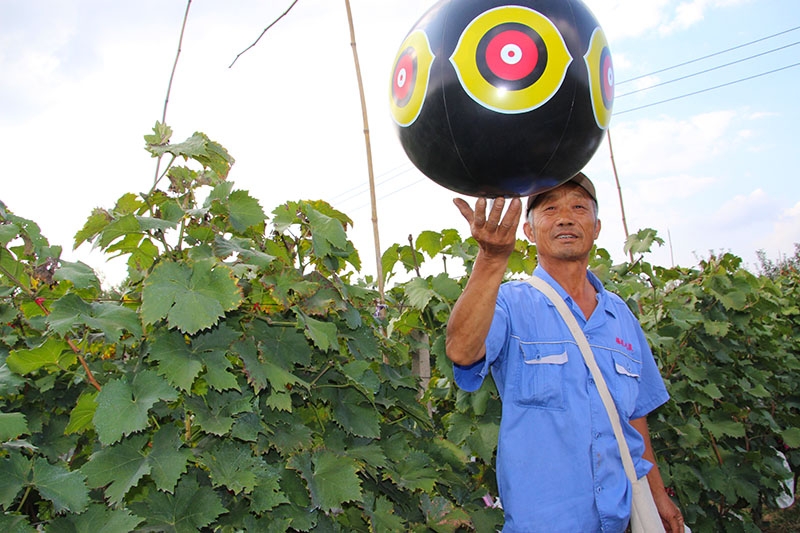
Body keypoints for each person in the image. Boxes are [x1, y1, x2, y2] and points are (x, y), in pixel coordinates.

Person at [446, 173, 684, 532]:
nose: (565, 217)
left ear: (597, 226)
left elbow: (633, 417)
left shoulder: (620, 315)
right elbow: (462, 351)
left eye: (578, 207)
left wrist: (657, 496)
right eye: (550, 207)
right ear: (528, 230)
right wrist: (491, 260)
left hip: (618, 521)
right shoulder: (510, 303)